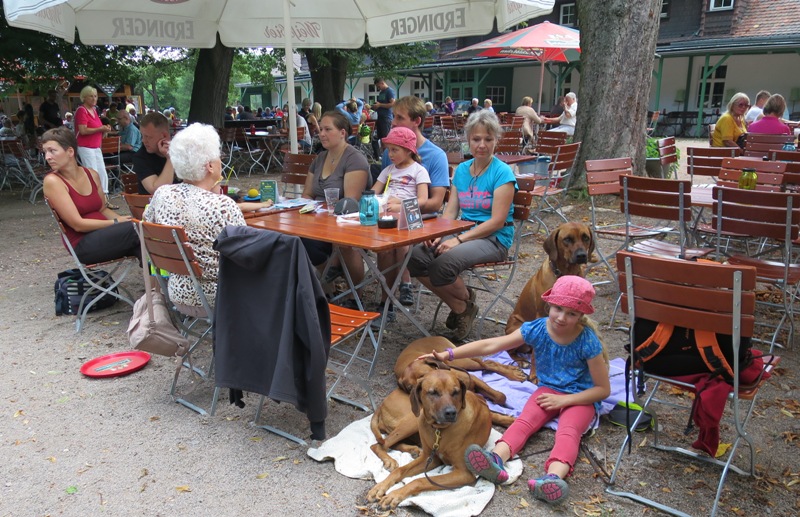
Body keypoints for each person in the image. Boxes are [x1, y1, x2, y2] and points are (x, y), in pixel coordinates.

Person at [417, 275, 609, 506]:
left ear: (581, 316)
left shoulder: (587, 341)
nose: (561, 317)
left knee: (568, 432)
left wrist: (564, 401)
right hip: (548, 390)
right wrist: (448, 354)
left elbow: (602, 390)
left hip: (580, 397)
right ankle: (495, 460)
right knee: (523, 422)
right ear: (549, 304)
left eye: (571, 313)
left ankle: (553, 479)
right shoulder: (539, 328)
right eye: (558, 309)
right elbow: (492, 345)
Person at [407, 110, 517, 341]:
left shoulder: (502, 173)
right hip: (464, 232)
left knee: (442, 264)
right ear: (468, 139)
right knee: (416, 256)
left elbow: (497, 221)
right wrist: (439, 233)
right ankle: (463, 306)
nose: (482, 145)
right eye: (476, 139)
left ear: (496, 140)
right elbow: (451, 211)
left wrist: (456, 240)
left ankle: (462, 304)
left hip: (494, 238)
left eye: (488, 139)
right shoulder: (462, 171)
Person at [143, 123, 247, 315]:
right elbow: (246, 255)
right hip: (222, 296)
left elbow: (148, 226)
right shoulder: (223, 205)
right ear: (209, 166)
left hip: (177, 292)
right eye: (219, 157)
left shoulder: (162, 195)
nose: (221, 161)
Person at [41, 126, 139, 265]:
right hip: (83, 244)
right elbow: (78, 225)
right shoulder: (53, 181)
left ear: (70, 152)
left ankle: (157, 277)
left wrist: (126, 220)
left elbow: (102, 209)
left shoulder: (92, 174)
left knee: (143, 233)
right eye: (45, 152)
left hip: (107, 236)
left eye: (52, 151)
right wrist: (118, 223)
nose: (47, 157)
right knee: (138, 230)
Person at [300, 111, 370, 295]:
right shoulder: (319, 159)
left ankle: (355, 294)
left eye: (327, 129)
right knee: (293, 237)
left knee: (343, 244)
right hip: (318, 221)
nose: (321, 134)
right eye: (320, 129)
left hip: (347, 224)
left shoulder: (354, 159)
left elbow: (350, 202)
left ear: (342, 133)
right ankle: (328, 286)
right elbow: (307, 194)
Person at [371, 126, 431, 323]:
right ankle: (393, 292)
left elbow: (423, 200)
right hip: (387, 217)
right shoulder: (388, 171)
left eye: (395, 150)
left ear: (409, 150)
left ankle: (404, 284)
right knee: (385, 249)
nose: (390, 154)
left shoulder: (418, 171)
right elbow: (373, 193)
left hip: (409, 216)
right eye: (389, 149)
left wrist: (401, 204)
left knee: (401, 244)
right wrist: (377, 201)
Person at [74, 86, 114, 203]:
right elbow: (83, 130)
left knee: (102, 172)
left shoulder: (94, 110)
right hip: (85, 146)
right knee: (92, 172)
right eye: (91, 96)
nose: (94, 98)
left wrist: (104, 129)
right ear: (84, 98)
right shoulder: (82, 110)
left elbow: (97, 126)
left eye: (95, 96)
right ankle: (95, 198)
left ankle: (104, 197)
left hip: (95, 146)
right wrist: (100, 129)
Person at [131, 112, 178, 194]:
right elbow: (158, 191)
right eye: (142, 136)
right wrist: (170, 158)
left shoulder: (181, 151)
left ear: (164, 136)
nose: (143, 140)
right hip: (153, 201)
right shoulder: (140, 157)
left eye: (148, 137)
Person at [372, 77, 396, 151]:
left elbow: (393, 104)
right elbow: (380, 104)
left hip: (386, 118)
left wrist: (380, 105)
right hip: (380, 117)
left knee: (386, 138)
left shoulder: (389, 91)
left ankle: (387, 153)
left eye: (378, 86)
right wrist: (375, 106)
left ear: (382, 83)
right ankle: (382, 153)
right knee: (381, 138)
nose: (378, 88)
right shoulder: (381, 92)